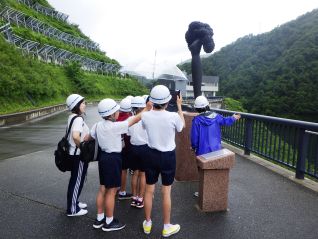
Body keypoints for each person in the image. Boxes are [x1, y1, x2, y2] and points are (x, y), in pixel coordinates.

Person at [90, 98, 148, 232]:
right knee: (111, 191)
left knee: (102, 189)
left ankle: (99, 219)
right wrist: (147, 108)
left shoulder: (97, 125)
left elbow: (88, 137)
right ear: (111, 114)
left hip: (103, 158)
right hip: (113, 159)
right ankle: (109, 222)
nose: (118, 112)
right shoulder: (116, 126)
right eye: (116, 111)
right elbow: (134, 119)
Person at [141, 85, 185, 237]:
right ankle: (166, 226)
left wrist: (147, 109)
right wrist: (179, 107)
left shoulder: (145, 115)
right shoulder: (173, 116)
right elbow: (181, 127)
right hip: (168, 157)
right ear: (168, 101)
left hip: (151, 154)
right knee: (166, 191)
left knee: (149, 190)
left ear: (151, 101)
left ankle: (147, 223)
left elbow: (144, 126)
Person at [65, 94, 90, 217]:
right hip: (78, 155)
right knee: (76, 181)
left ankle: (75, 202)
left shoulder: (72, 117)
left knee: (76, 180)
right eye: (83, 103)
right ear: (77, 105)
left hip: (73, 154)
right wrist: (83, 148)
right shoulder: (78, 119)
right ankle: (72, 209)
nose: (85, 105)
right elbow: (75, 136)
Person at [127, 96, 148, 209]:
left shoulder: (131, 119)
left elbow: (129, 134)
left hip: (133, 148)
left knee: (135, 173)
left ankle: (134, 198)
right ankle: (140, 198)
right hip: (144, 148)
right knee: (143, 174)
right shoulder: (146, 118)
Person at [117, 97, 133, 200]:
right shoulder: (129, 119)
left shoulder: (116, 117)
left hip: (115, 148)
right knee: (124, 170)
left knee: (118, 169)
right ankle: (122, 191)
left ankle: (116, 187)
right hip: (125, 148)